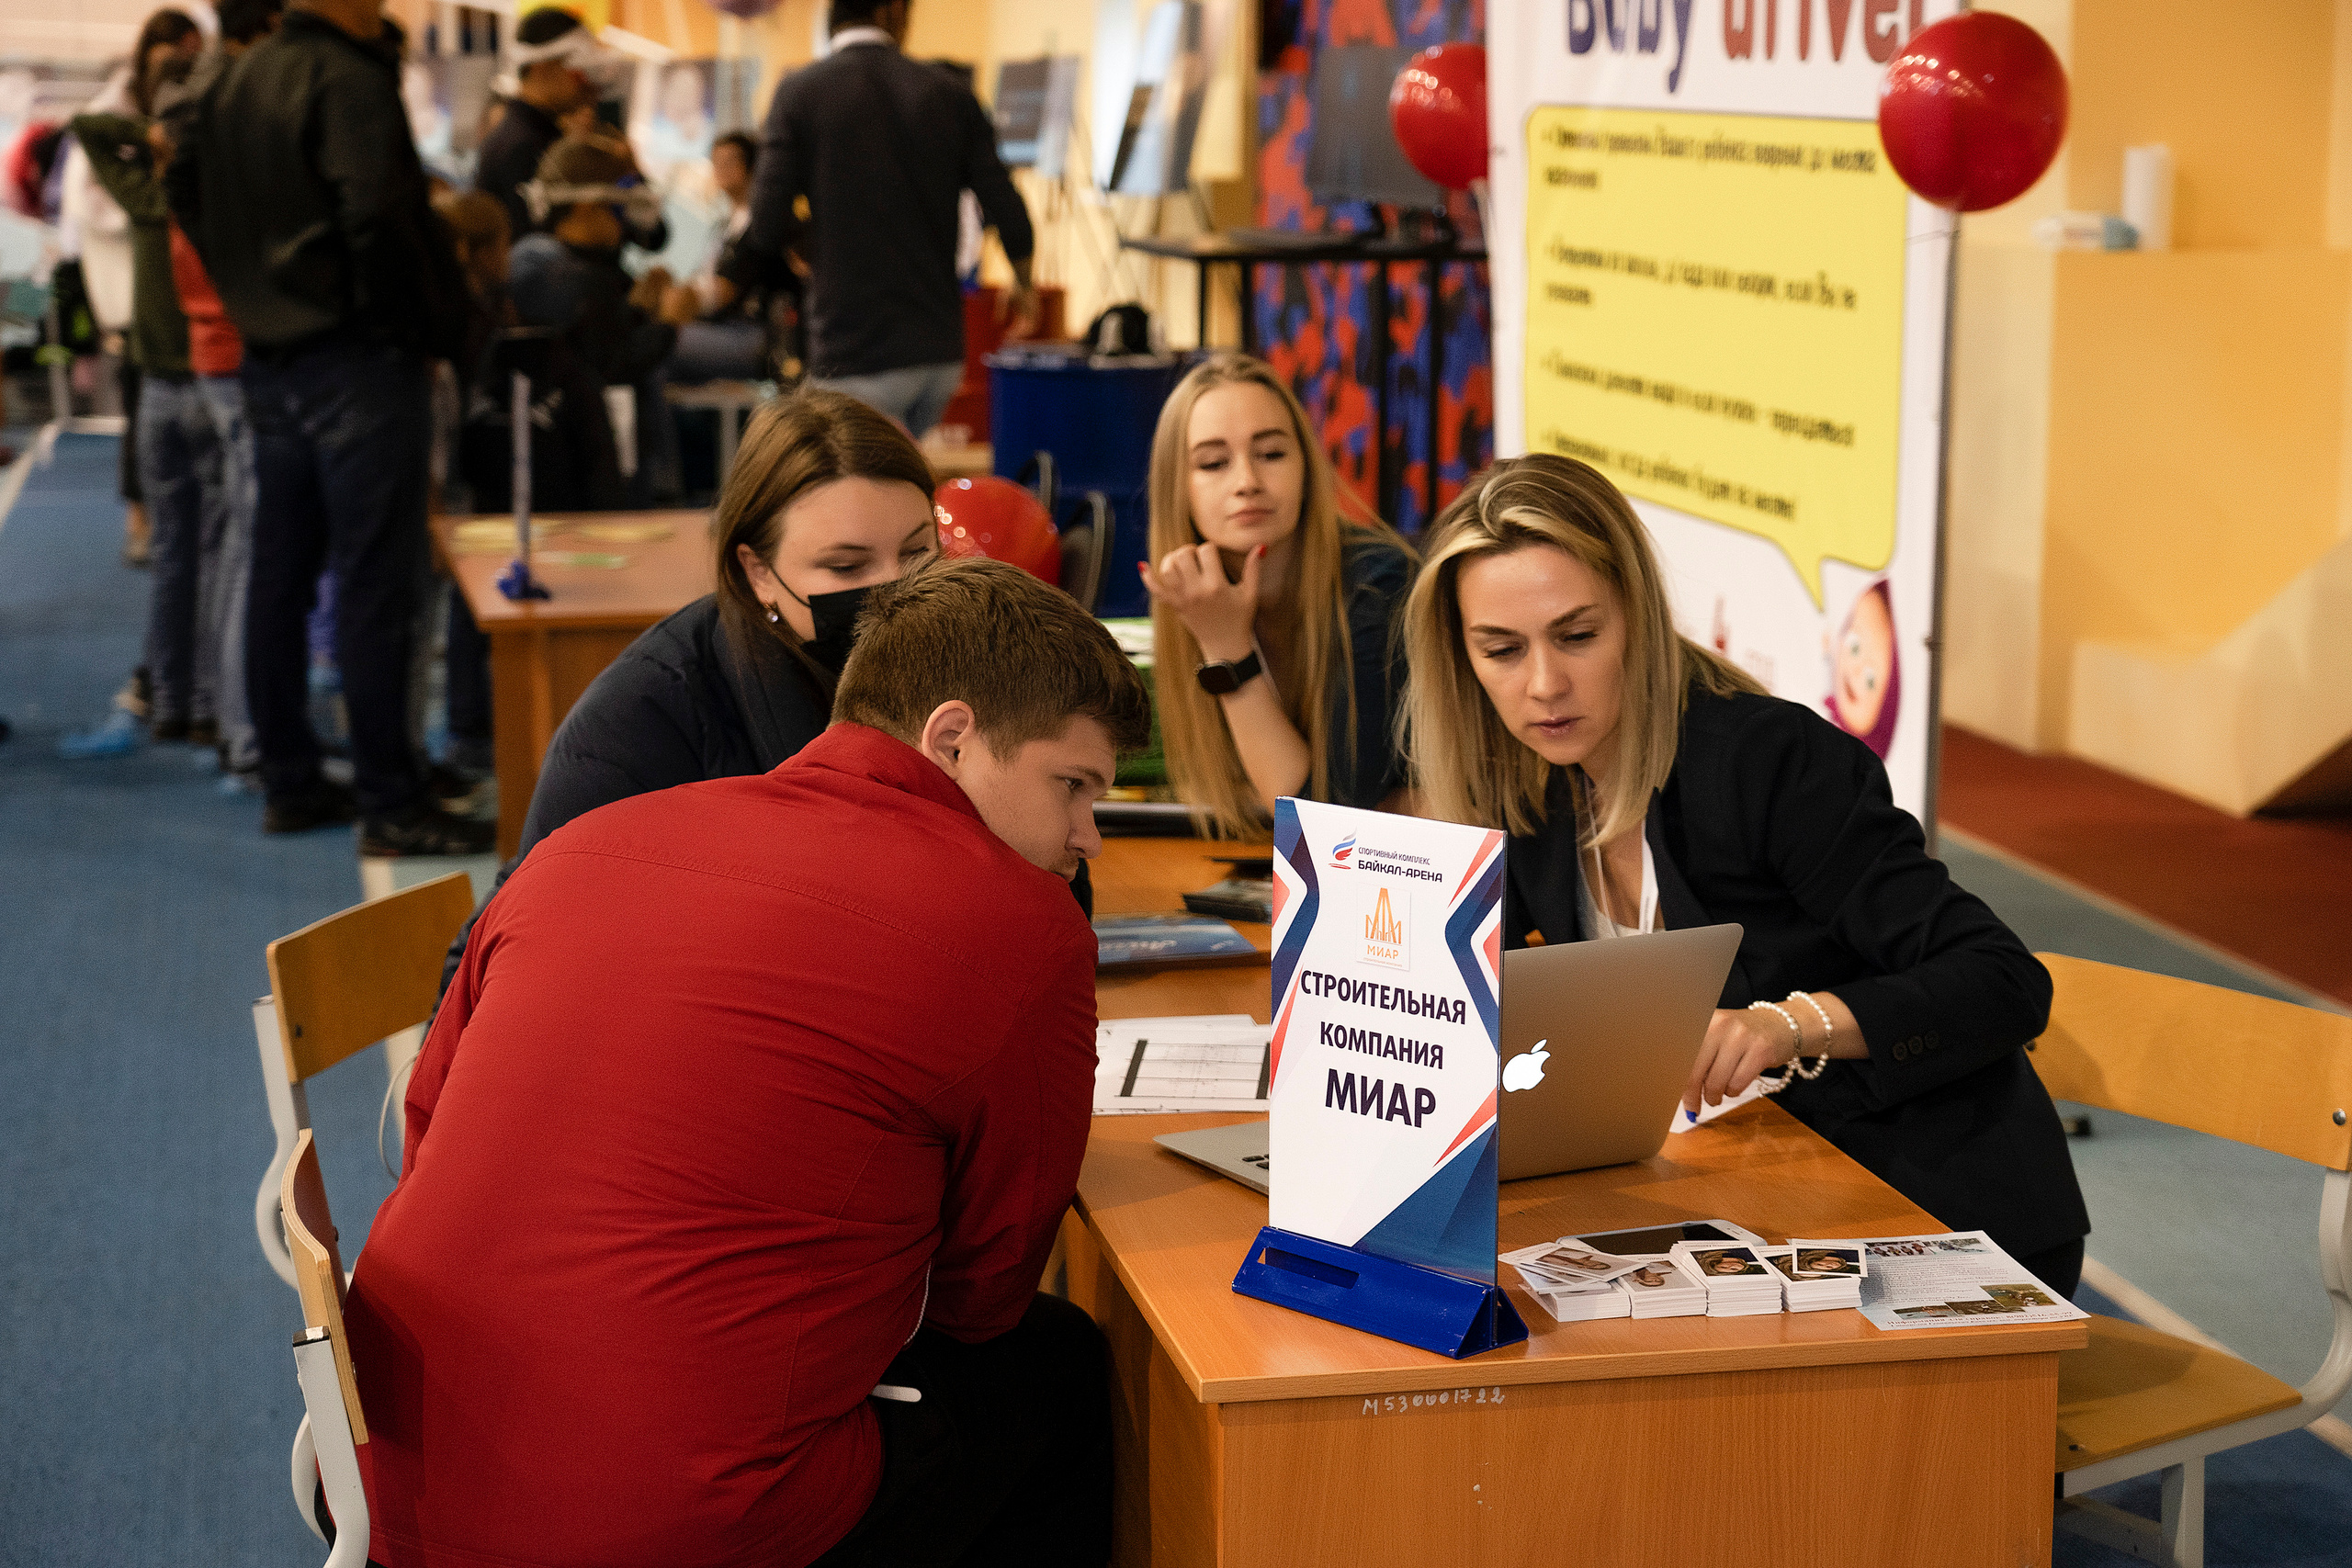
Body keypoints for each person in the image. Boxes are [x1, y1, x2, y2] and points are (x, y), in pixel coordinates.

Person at [345, 553, 1143, 1568]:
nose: (1087, 834)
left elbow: (429, 1125)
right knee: (1057, 1369)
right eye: (1071, 786)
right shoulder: (1020, 926)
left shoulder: (586, 844)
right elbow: (982, 1296)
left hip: (386, 1482)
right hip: (671, 1527)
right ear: (951, 737)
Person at [1398, 454, 2089, 1294]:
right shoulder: (1528, 784)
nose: (1543, 684)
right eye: (1500, 650)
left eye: (1578, 635)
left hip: (1931, 1203)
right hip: (1752, 1196)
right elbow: (1476, 998)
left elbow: (2004, 980)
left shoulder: (1768, 763)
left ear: (1638, 619)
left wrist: (1789, 1024)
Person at [168, 0, 487, 853]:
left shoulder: (232, 78)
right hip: (355, 354)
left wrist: (249, 281)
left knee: (282, 571)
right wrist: (403, 323)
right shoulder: (347, 78)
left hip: (268, 352)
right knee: (375, 580)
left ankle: (294, 778)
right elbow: (379, 215)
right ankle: (392, 797)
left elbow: (181, 186)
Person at [723, 0, 1036, 435]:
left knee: (856, 488)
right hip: (938, 351)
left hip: (851, 347)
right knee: (904, 479)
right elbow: (1007, 207)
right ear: (892, 12)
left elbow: (765, 223)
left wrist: (809, 246)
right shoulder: (950, 93)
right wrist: (1024, 283)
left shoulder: (800, 93)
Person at [1139, 354, 1418, 836]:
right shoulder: (1194, 592)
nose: (1247, 482)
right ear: (1177, 490)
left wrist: (1227, 651)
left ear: (1306, 469)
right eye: (1213, 463)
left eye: (1271, 454)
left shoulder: (1380, 588)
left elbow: (1321, 823)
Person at [73, 52, 228, 747]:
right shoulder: (217, 204)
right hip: (214, 387)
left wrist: (152, 131)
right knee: (221, 560)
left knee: (174, 557)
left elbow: (89, 124)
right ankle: (212, 704)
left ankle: (170, 697)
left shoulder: (147, 197)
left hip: (160, 392)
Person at [60, 7, 201, 570]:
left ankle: (159, 523)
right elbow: (87, 152)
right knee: (145, 417)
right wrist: (149, 140)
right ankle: (141, 517)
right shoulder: (145, 183)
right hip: (133, 291)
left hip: (183, 313)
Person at [510, 135, 695, 501]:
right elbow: (612, 366)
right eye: (618, 209)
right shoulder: (565, 274)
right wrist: (668, 323)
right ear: (585, 207)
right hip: (587, 465)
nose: (625, 224)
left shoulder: (552, 264)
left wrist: (639, 309)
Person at [470, 7, 652, 249]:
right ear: (542, 68)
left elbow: (652, 231)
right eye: (580, 74)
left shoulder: (535, 136)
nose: (590, 87)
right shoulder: (522, 145)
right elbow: (541, 247)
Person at [663, 130, 776, 385]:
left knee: (659, 343)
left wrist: (679, 298)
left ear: (751, 165)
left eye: (729, 162)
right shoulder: (724, 224)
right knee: (654, 361)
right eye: (716, 162)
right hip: (721, 326)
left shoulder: (761, 224)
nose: (720, 169)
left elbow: (726, 290)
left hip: (752, 333)